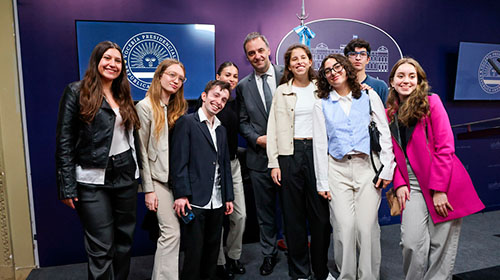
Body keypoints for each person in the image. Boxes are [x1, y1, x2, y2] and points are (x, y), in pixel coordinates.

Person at [386, 58, 485, 279]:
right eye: (401, 76)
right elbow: (390, 155)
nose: (406, 81)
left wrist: (440, 189)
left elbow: (445, 147)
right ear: (392, 81)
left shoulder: (432, 102)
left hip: (441, 179)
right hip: (411, 184)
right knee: (411, 243)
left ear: (419, 81)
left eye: (412, 76)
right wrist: (399, 183)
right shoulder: (389, 114)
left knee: (441, 245)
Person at [55, 41, 141, 280]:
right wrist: (67, 185)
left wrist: (139, 174)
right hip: (92, 179)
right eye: (108, 58)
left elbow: (131, 138)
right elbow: (64, 141)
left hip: (126, 176)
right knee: (101, 247)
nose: (113, 64)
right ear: (96, 61)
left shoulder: (123, 94)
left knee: (124, 242)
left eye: (118, 61)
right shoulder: (76, 91)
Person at [312, 54, 395, 280]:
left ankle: (369, 276)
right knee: (344, 228)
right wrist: (322, 181)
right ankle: (347, 276)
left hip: (366, 168)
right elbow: (320, 145)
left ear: (346, 68)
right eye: (327, 70)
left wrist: (388, 167)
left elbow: (384, 134)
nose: (333, 72)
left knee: (367, 228)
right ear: (325, 77)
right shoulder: (321, 104)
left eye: (337, 67)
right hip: (336, 170)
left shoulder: (369, 96)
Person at [266, 44, 333, 280]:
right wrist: (274, 162)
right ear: (289, 65)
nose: (299, 62)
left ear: (310, 61)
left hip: (317, 153)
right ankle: (300, 272)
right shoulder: (281, 91)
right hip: (289, 154)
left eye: (303, 57)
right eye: (294, 59)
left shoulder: (322, 89)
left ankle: (321, 270)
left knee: (321, 218)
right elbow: (272, 128)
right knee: (293, 217)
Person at [170, 80, 234, 280]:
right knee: (194, 253)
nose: (219, 102)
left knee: (212, 251)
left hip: (217, 200)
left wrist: (228, 196)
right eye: (215, 96)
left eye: (224, 99)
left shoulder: (221, 129)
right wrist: (181, 194)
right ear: (204, 96)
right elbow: (178, 162)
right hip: (195, 199)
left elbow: (224, 165)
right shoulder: (187, 123)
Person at [236, 32, 284, 276]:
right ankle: (269, 254)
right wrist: (257, 139)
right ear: (247, 57)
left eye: (260, 50)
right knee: (265, 213)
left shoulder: (288, 75)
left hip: (289, 157)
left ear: (269, 49)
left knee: (293, 209)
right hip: (259, 159)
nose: (256, 56)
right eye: (251, 53)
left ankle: (297, 252)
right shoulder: (243, 86)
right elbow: (242, 122)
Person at [136, 59, 188, 280]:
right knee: (171, 233)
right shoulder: (145, 107)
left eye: (180, 78)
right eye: (171, 75)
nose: (175, 81)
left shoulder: (177, 109)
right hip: (157, 181)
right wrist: (148, 189)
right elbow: (141, 153)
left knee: (173, 234)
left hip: (176, 181)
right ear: (159, 76)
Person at [212, 62, 247, 280]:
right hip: (213, 167)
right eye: (227, 74)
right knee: (217, 219)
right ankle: (219, 262)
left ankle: (234, 256)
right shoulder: (208, 103)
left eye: (235, 76)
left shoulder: (236, 104)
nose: (232, 79)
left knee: (240, 216)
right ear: (218, 76)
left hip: (233, 166)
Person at [344, 38, 389, 105]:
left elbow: (385, 113)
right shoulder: (340, 86)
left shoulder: (380, 86)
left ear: (368, 59)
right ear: (346, 59)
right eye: (353, 54)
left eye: (362, 54)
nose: (358, 58)